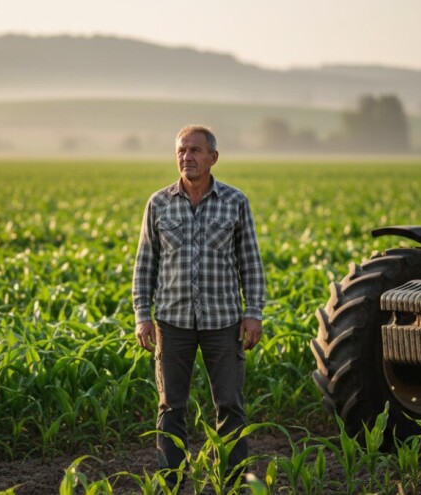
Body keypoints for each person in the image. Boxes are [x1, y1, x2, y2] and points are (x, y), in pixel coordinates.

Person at [132, 124, 266, 488]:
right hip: (172, 324)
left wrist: (253, 313)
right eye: (181, 151)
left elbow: (250, 263)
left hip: (223, 323)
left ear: (213, 158)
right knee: (171, 408)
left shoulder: (235, 202)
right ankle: (173, 482)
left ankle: (234, 483)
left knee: (230, 407)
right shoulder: (158, 203)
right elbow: (145, 265)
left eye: (194, 150)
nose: (186, 157)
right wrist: (142, 316)